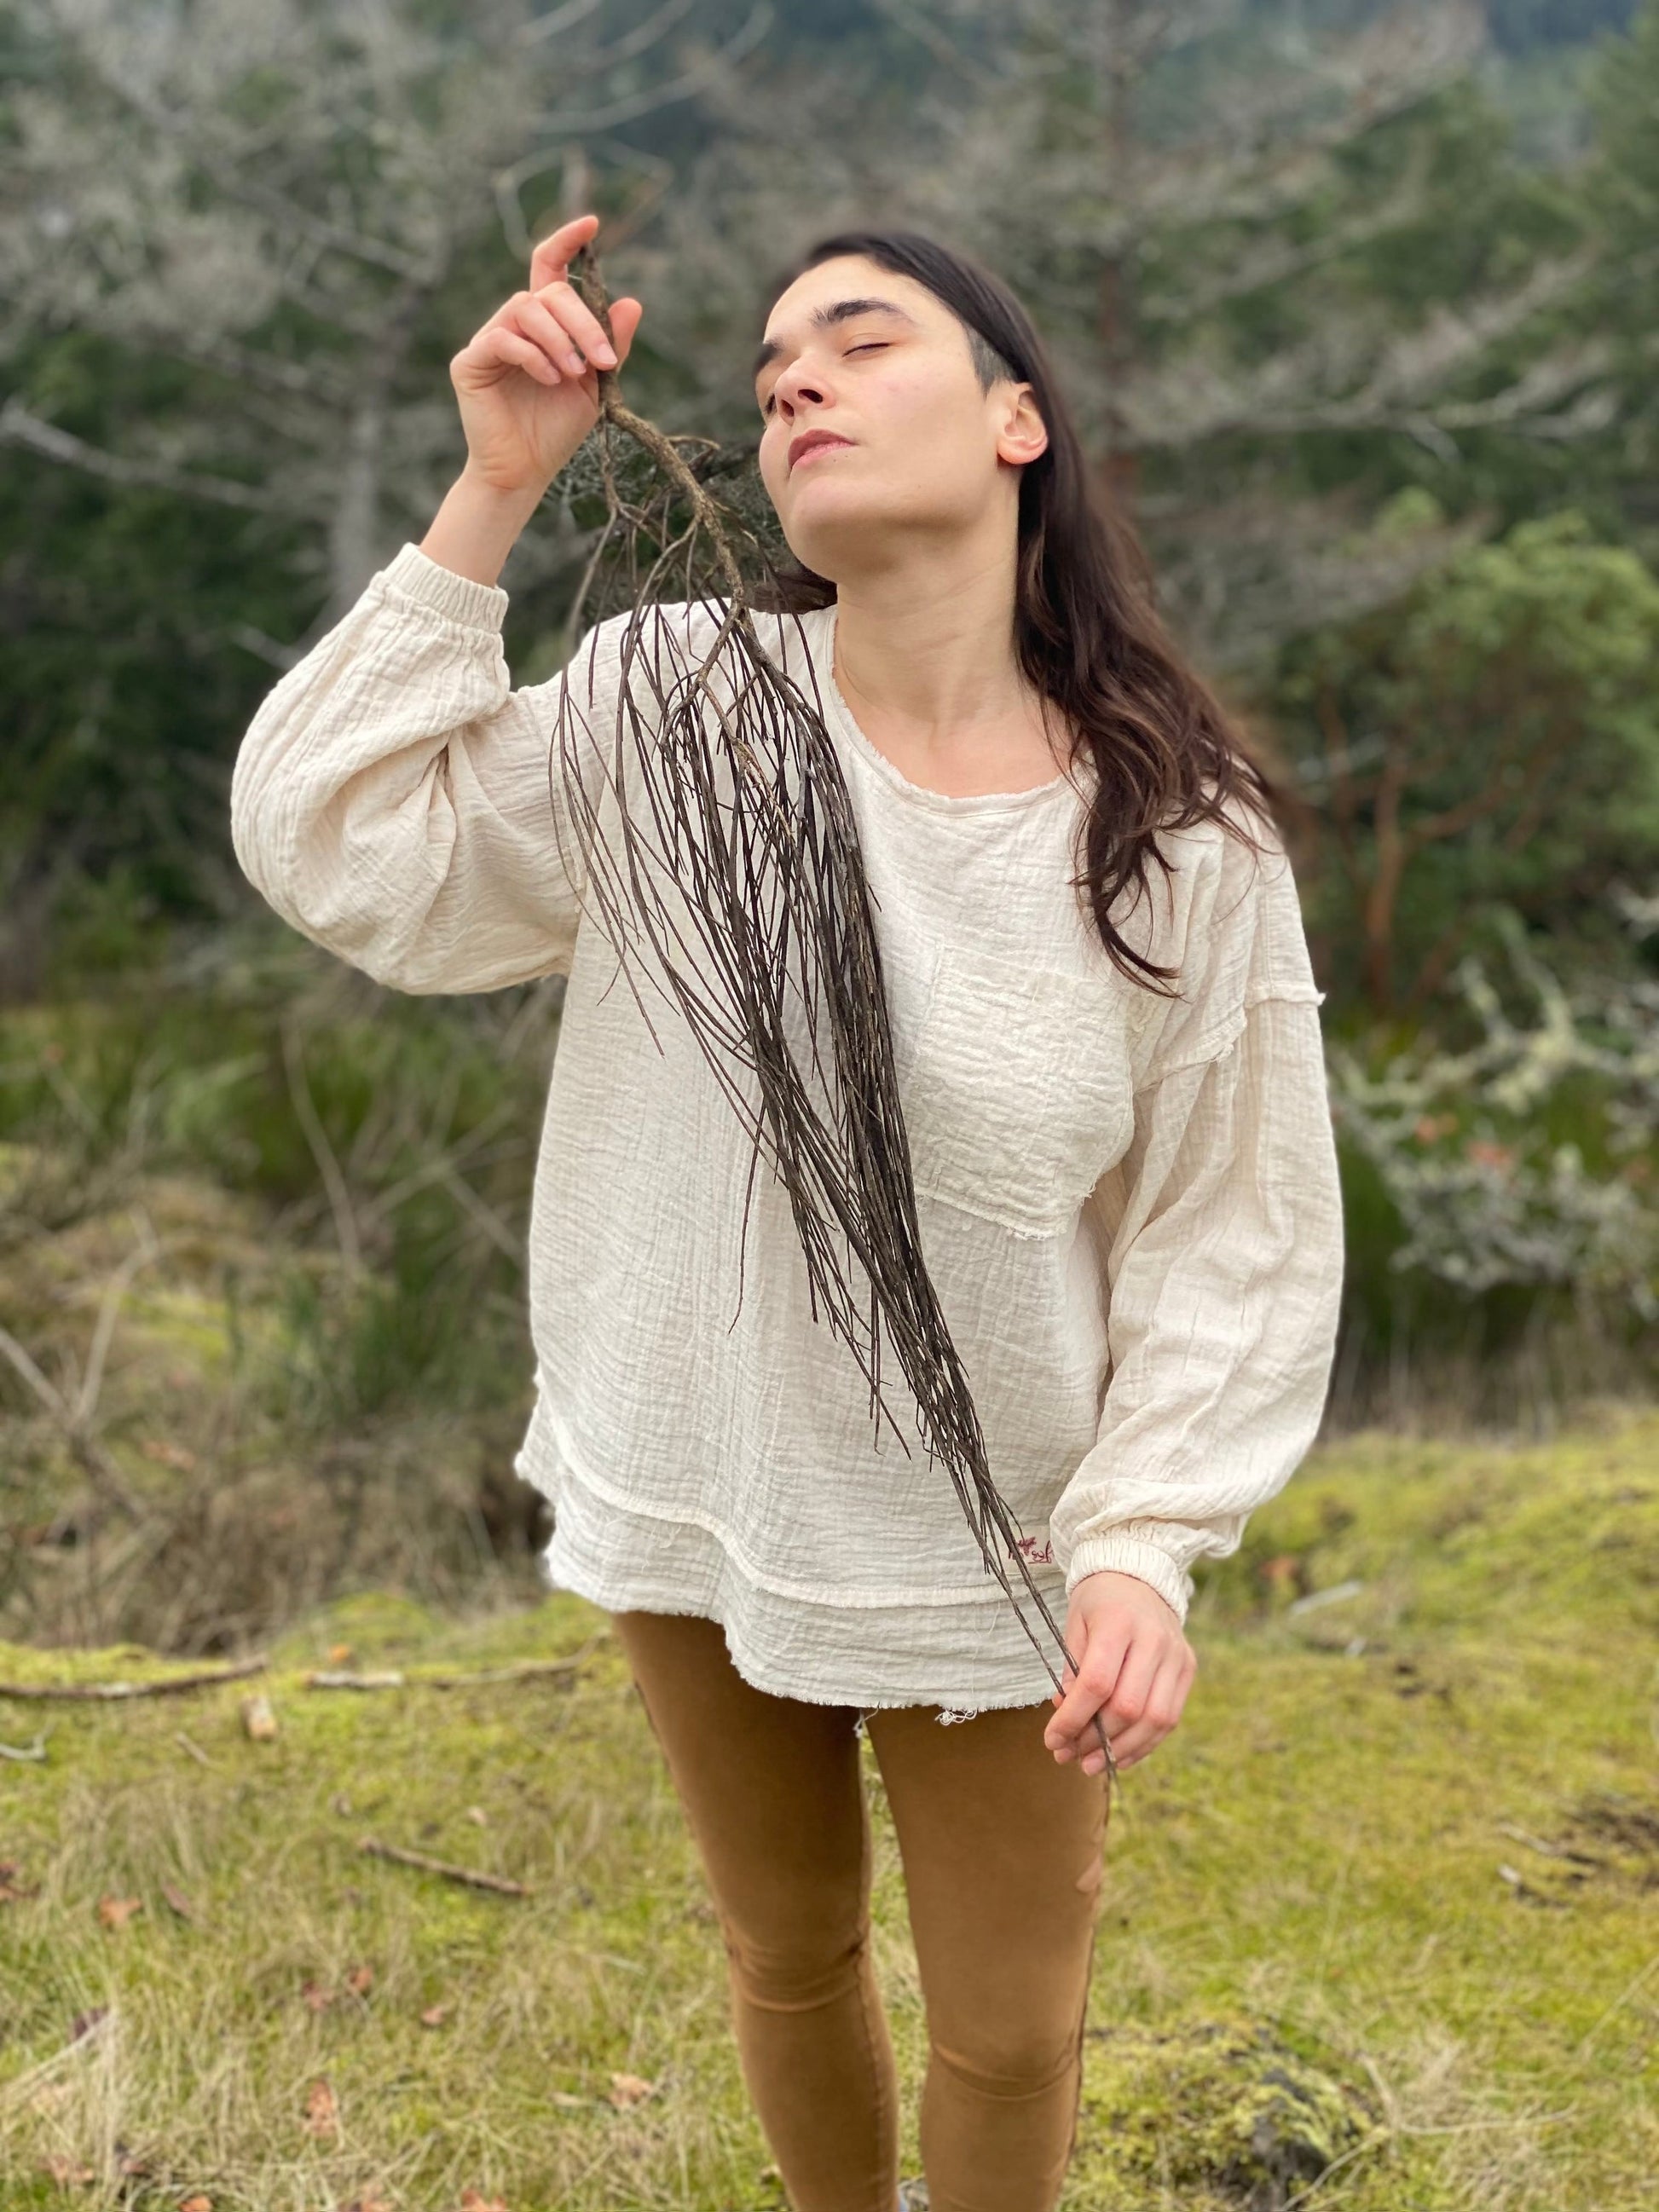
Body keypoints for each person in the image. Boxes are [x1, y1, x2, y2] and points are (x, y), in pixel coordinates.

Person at [229, 210, 1345, 2212]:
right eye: (764, 377)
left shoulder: (1173, 833)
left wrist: (1145, 1541)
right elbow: (339, 841)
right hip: (700, 1463)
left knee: (1010, 2020)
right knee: (789, 1944)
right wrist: (494, 489)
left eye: (855, 339)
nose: (792, 383)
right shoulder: (679, 702)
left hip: (1001, 1518)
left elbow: (1229, 1224)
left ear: (1017, 420)